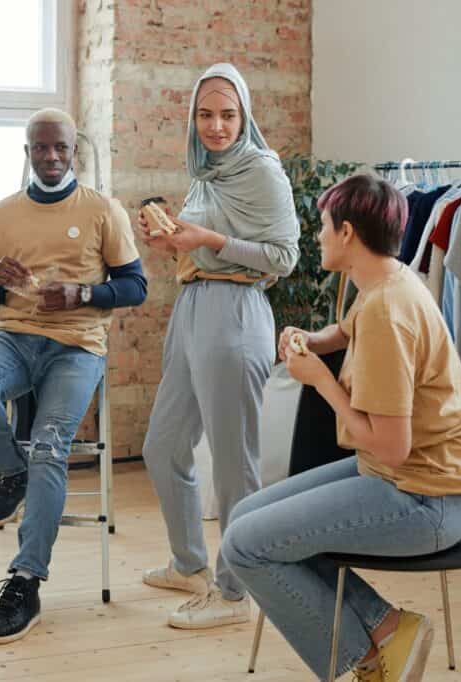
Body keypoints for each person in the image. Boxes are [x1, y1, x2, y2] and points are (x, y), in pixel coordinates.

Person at [220, 174, 461, 681]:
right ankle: (388, 630)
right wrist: (312, 341)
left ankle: (369, 662)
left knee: (245, 545)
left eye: (322, 226)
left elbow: (391, 446)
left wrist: (320, 380)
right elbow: (342, 331)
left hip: (426, 499)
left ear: (346, 233)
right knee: (246, 518)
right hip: (402, 478)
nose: (317, 236)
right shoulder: (387, 280)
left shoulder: (390, 307)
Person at [0, 107, 147, 645]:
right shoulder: (0, 213)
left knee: (50, 444)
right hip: (13, 338)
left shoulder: (103, 210)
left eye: (61, 148)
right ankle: (13, 474)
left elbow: (135, 286)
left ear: (73, 150)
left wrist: (84, 293)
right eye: (42, 148)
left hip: (77, 347)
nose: (52, 157)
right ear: (28, 152)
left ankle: (26, 580)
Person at [137, 62, 299, 628]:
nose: (216, 126)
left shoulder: (261, 171)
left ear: (245, 114)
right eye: (206, 114)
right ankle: (189, 565)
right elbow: (205, 250)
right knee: (163, 447)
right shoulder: (208, 172)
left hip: (235, 315)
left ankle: (235, 594)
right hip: (194, 308)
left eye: (228, 114)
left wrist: (207, 238)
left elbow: (283, 257)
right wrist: (174, 241)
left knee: (234, 465)